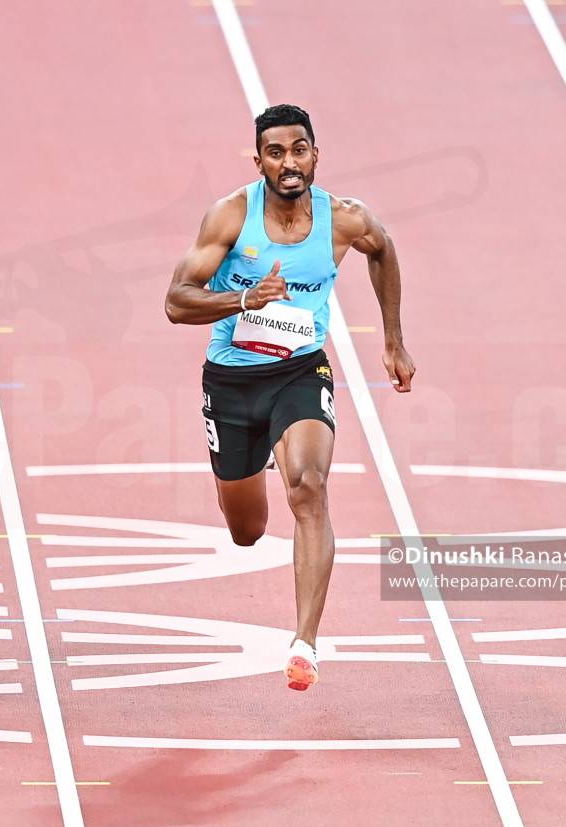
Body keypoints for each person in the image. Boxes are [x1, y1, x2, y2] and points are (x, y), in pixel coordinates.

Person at [165, 104, 415, 691]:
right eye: (275, 153)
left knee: (309, 485)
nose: (289, 163)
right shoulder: (231, 216)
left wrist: (394, 340)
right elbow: (176, 301)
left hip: (300, 371)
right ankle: (258, 457)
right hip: (231, 381)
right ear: (259, 162)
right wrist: (244, 300)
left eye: (299, 150)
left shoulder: (344, 219)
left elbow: (383, 249)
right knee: (247, 530)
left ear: (315, 155)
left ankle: (304, 642)